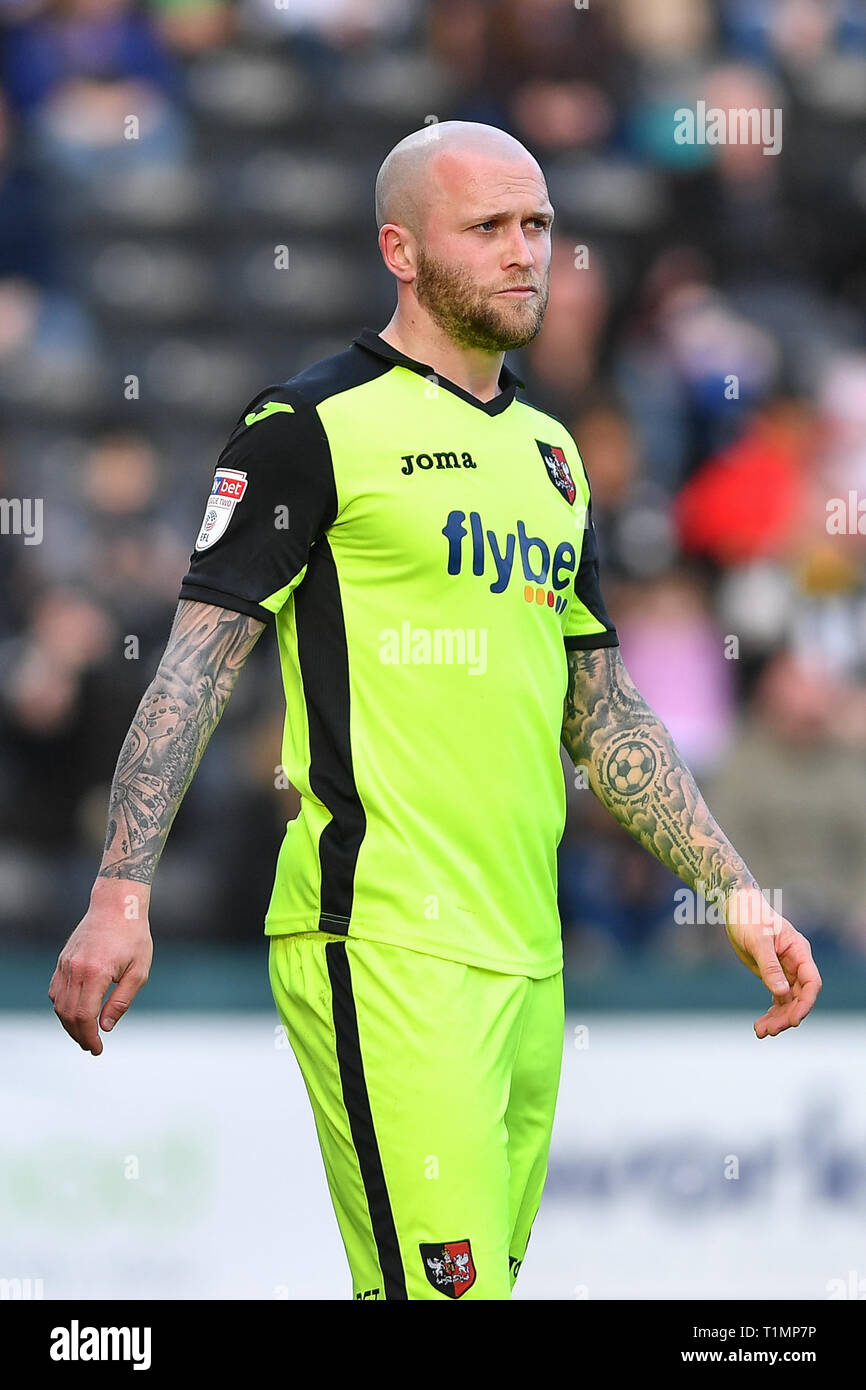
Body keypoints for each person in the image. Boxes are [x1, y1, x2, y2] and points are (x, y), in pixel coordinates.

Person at [48, 121, 822, 1301]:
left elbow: (603, 711)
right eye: (490, 228)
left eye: (538, 227)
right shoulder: (305, 428)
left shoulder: (553, 455)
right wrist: (119, 892)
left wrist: (733, 888)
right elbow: (194, 666)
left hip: (527, 956)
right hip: (384, 942)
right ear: (399, 250)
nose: (526, 255)